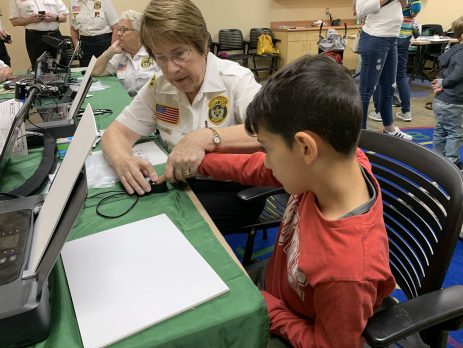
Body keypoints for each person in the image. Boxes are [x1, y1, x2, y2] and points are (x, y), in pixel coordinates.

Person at [194, 55, 395, 347]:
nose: (266, 160)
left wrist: (270, 310)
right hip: (276, 288)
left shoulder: (347, 271)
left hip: (285, 318)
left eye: (268, 148)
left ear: (305, 147)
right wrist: (202, 163)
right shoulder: (331, 170)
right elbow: (258, 168)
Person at [101, 0, 263, 233]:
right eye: (160, 58)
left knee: (160, 224)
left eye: (179, 54)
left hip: (234, 189)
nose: (170, 70)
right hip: (182, 184)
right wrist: (123, 162)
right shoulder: (159, 85)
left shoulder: (236, 79)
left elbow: (273, 133)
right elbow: (116, 133)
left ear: (203, 45)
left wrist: (205, 137)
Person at [355, 0, 412, 140]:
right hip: (375, 38)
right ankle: (359, 135)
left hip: (392, 39)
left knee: (389, 88)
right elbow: (360, 11)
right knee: (366, 91)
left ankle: (389, 129)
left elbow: (404, 6)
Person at [368, 0, 422, 122]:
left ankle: (379, 112)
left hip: (389, 34)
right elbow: (417, 7)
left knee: (380, 74)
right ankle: (406, 111)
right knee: (401, 74)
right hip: (405, 36)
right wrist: (410, 14)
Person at [92, 10, 160, 97]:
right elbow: (95, 72)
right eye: (119, 29)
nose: (119, 34)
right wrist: (110, 51)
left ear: (139, 33)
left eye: (124, 30)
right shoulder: (120, 55)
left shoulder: (154, 53)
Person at [432, 16, 463, 169]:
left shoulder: (453, 50)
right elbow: (458, 74)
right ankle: (452, 163)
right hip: (454, 103)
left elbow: (445, 70)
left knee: (440, 130)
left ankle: (436, 159)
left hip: (441, 100)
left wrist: (441, 83)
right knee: (455, 133)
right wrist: (444, 83)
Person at [9, 0, 69, 69]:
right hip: (35, 37)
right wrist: (30, 19)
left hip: (55, 35)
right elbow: (14, 22)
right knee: (39, 69)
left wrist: (55, 18)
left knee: (64, 66)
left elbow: (64, 18)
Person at [70, 0, 118, 67]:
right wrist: (78, 50)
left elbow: (115, 27)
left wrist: (112, 51)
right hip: (85, 45)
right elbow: (73, 29)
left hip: (103, 43)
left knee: (105, 72)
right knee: (86, 74)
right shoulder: (74, 2)